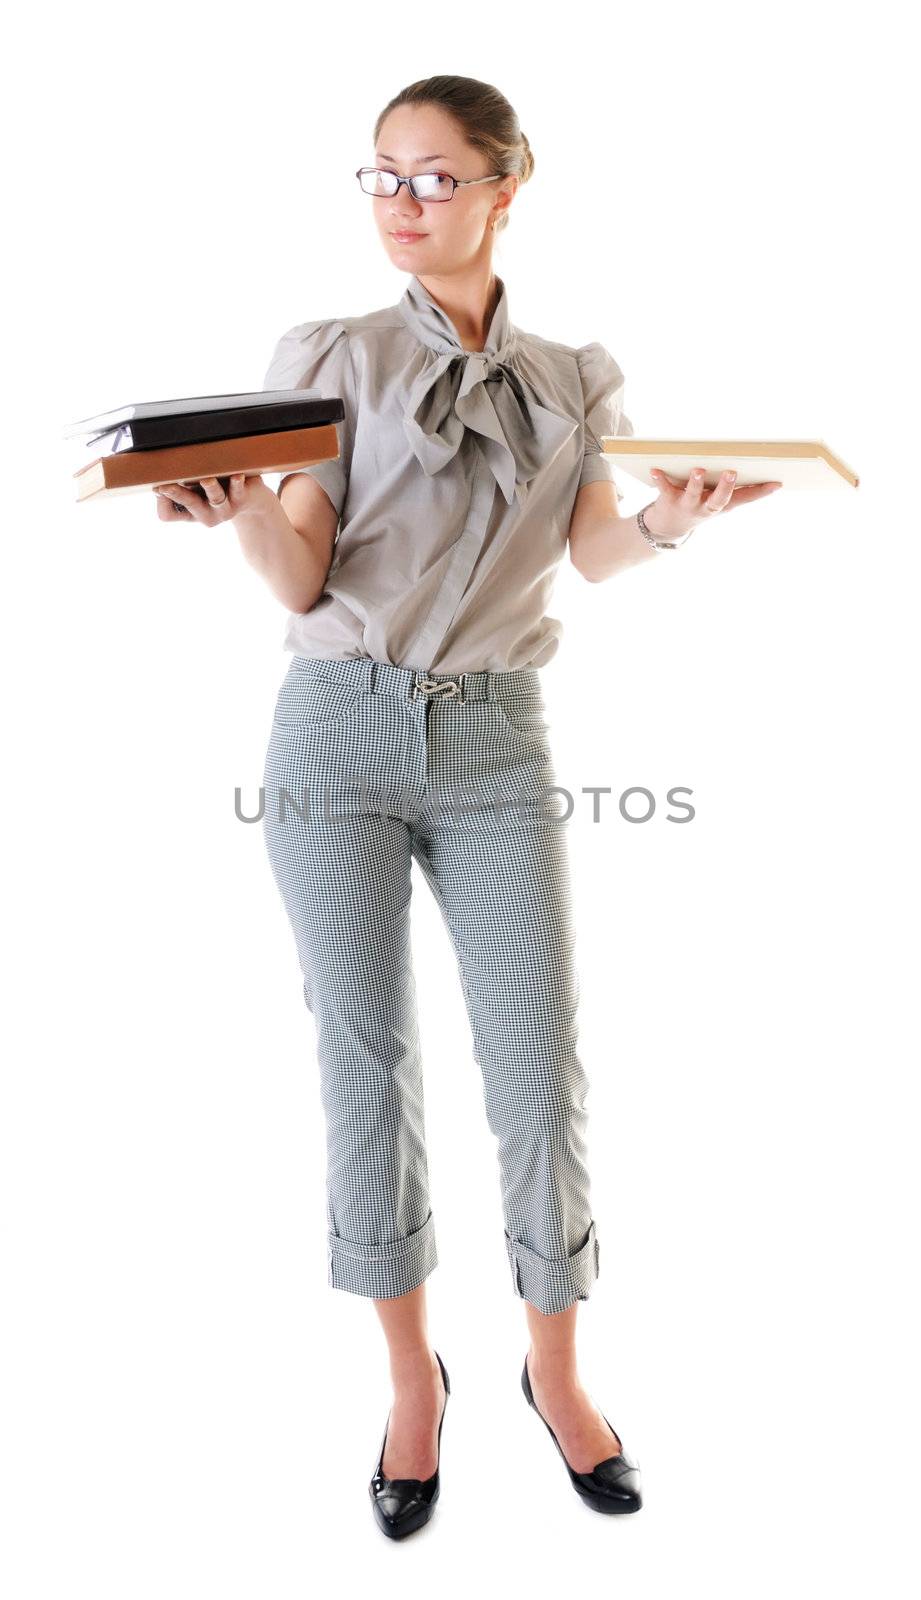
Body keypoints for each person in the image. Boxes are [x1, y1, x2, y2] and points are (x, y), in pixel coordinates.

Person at [152, 75, 781, 1539]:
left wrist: (669, 526)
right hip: (337, 734)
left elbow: (593, 554)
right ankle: (409, 1387)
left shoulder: (574, 378)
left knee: (535, 1067)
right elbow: (303, 577)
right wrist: (240, 504)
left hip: (498, 736)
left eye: (433, 178)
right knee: (363, 1068)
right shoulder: (328, 354)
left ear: (509, 185)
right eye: (379, 175)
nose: (400, 202)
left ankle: (555, 1373)